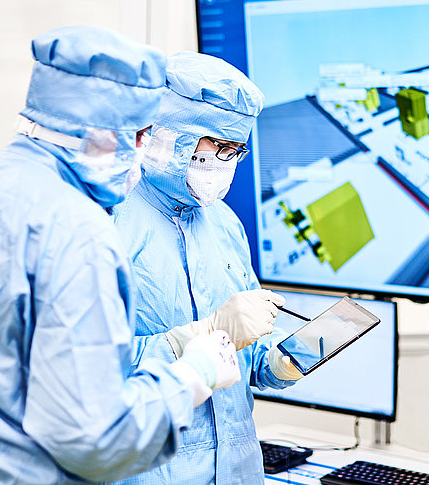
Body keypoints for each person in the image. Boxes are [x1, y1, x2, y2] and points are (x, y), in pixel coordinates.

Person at [0, 26, 243, 484]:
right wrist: (192, 374)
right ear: (107, 134)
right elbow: (94, 440)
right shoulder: (77, 230)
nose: (142, 154)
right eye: (142, 135)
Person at [111, 51, 305, 485]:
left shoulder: (224, 223)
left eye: (235, 150)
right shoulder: (111, 221)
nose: (225, 162)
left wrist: (277, 362)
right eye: (216, 147)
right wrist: (203, 335)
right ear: (170, 137)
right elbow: (93, 368)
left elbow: (245, 353)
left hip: (238, 469)